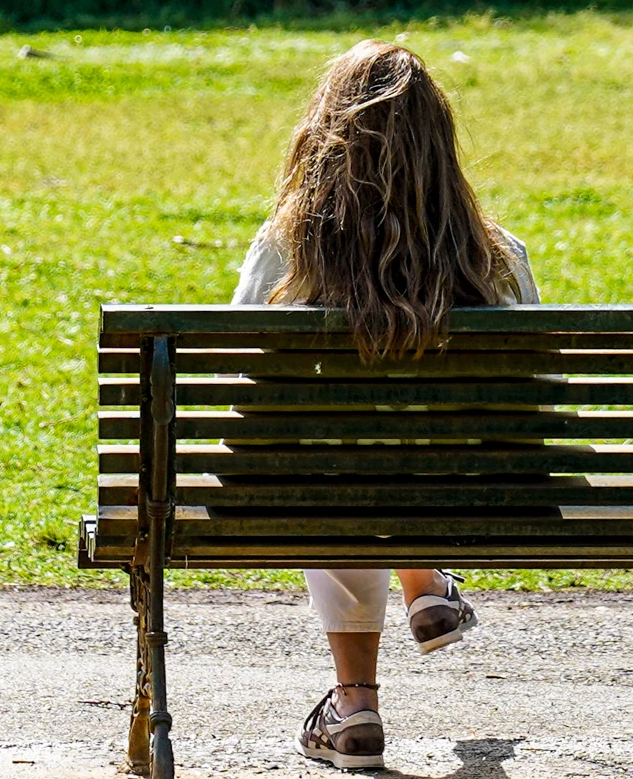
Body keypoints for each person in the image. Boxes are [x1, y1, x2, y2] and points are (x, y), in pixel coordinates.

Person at [231, 40, 540, 771]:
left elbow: (241, 387)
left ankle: (356, 705)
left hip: (332, 495)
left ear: (325, 139)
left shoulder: (288, 248)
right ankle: (424, 580)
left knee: (327, 469)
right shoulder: (495, 254)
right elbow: (528, 403)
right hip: (472, 495)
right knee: (392, 457)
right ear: (443, 146)